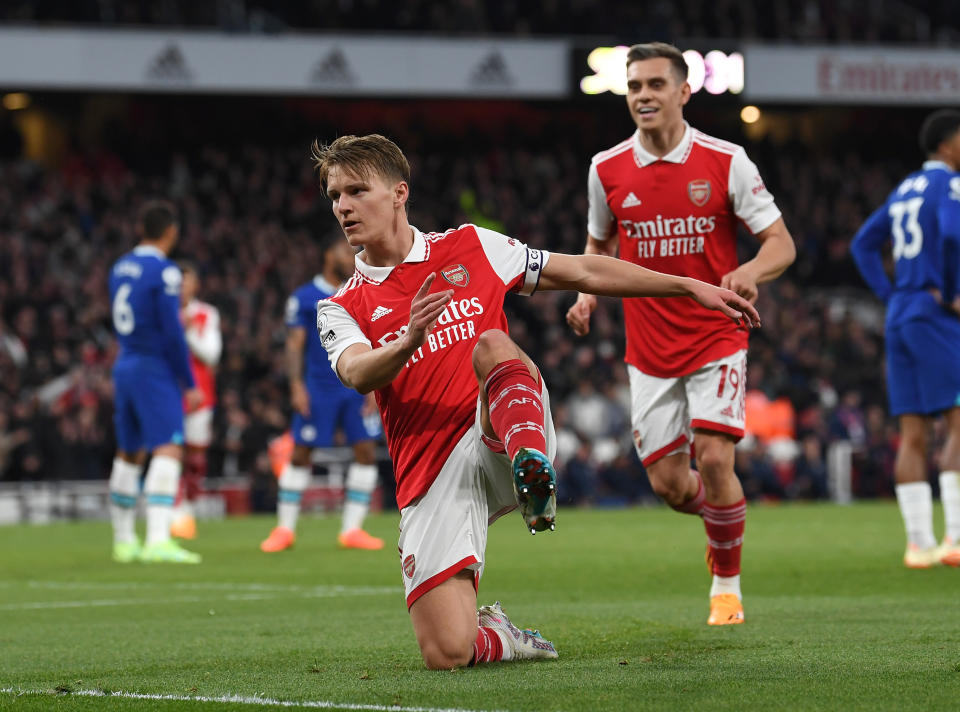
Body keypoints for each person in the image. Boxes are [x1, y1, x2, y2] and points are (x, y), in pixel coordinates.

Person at [311, 133, 760, 669]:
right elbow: (358, 372)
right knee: (446, 652)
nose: (342, 206)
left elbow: (585, 269)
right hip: (430, 471)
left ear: (399, 192)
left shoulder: (473, 246)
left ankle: (532, 470)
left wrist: (688, 286)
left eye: (356, 190)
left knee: (492, 344)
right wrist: (406, 341)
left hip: (501, 426)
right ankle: (501, 634)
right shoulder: (340, 306)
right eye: (335, 195)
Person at [566, 42, 796, 625]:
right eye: (634, 86)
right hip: (647, 346)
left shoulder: (726, 161)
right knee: (671, 485)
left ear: (683, 92)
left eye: (654, 85)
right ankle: (724, 521)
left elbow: (781, 243)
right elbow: (599, 245)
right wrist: (587, 291)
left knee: (716, 459)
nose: (642, 95)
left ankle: (726, 587)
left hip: (717, 333)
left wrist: (748, 271)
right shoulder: (606, 168)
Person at [851, 109, 960, 569]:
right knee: (958, 422)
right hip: (935, 315)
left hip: (900, 314)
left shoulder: (904, 188)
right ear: (948, 144)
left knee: (912, 433)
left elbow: (862, 244)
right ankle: (955, 538)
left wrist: (890, 292)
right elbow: (954, 233)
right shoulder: (950, 184)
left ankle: (918, 545)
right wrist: (952, 292)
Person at [260, 235, 385, 552]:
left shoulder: (361, 290)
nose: (351, 256)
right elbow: (294, 344)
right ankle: (284, 530)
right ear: (329, 255)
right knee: (301, 453)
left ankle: (352, 530)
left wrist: (373, 387)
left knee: (366, 452)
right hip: (319, 388)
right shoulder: (305, 297)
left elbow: (373, 338)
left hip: (355, 386)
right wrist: (296, 385)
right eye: (345, 251)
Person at [107, 199, 202, 564]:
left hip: (125, 362)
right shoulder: (165, 272)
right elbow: (172, 331)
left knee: (129, 453)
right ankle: (158, 540)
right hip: (152, 367)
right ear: (170, 232)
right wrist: (189, 382)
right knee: (168, 448)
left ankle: (123, 541)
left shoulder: (120, 267)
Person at [170, 261, 223, 541]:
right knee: (169, 453)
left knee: (195, 459)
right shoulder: (162, 313)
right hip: (168, 393)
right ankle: (175, 513)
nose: (182, 287)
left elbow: (212, 355)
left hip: (201, 396)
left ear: (195, 285)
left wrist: (188, 332)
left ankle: (187, 508)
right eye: (177, 282)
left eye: (186, 281)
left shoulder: (206, 314)